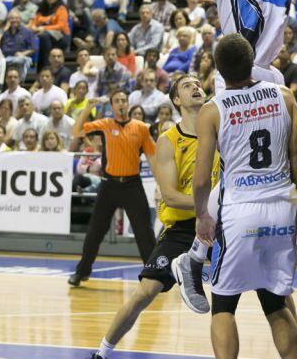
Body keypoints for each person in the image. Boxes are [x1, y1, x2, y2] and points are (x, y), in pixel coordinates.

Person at [185, 34, 297, 359]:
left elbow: (200, 180)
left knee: (223, 304)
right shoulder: (285, 95)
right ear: (253, 61)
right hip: (281, 209)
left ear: (219, 72)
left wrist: (202, 215)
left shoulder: (212, 110)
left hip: (241, 213)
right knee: (276, 303)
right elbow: (296, 160)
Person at [85, 76, 216, 359]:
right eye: (186, 85)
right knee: (145, 292)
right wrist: (209, 208)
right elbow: (170, 197)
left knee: (264, 287)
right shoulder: (169, 141)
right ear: (176, 100)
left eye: (197, 83)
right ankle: (102, 352)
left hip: (221, 224)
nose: (195, 86)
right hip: (184, 227)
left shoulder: (220, 134)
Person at [68, 90, 157, 287]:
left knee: (144, 232)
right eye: (116, 101)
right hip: (109, 186)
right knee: (95, 232)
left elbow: (153, 157)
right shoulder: (105, 125)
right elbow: (75, 132)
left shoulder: (141, 128)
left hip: (132, 185)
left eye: (124, 100)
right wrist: (89, 107)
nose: (121, 104)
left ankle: (153, 275)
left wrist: (161, 185)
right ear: (112, 106)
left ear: (128, 103)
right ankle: (81, 272)